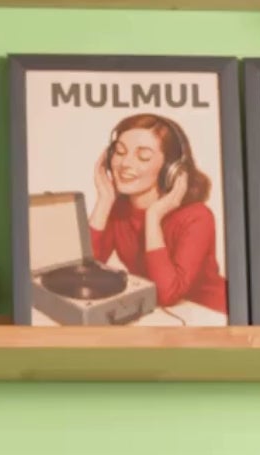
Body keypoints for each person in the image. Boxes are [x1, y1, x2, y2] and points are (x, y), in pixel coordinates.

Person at [88, 113, 228, 316]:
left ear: (170, 168)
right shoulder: (118, 210)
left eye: (143, 156)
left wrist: (153, 217)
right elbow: (85, 275)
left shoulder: (198, 217)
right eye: (119, 151)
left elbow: (167, 294)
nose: (125, 163)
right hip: (163, 316)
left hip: (212, 314)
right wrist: (104, 200)